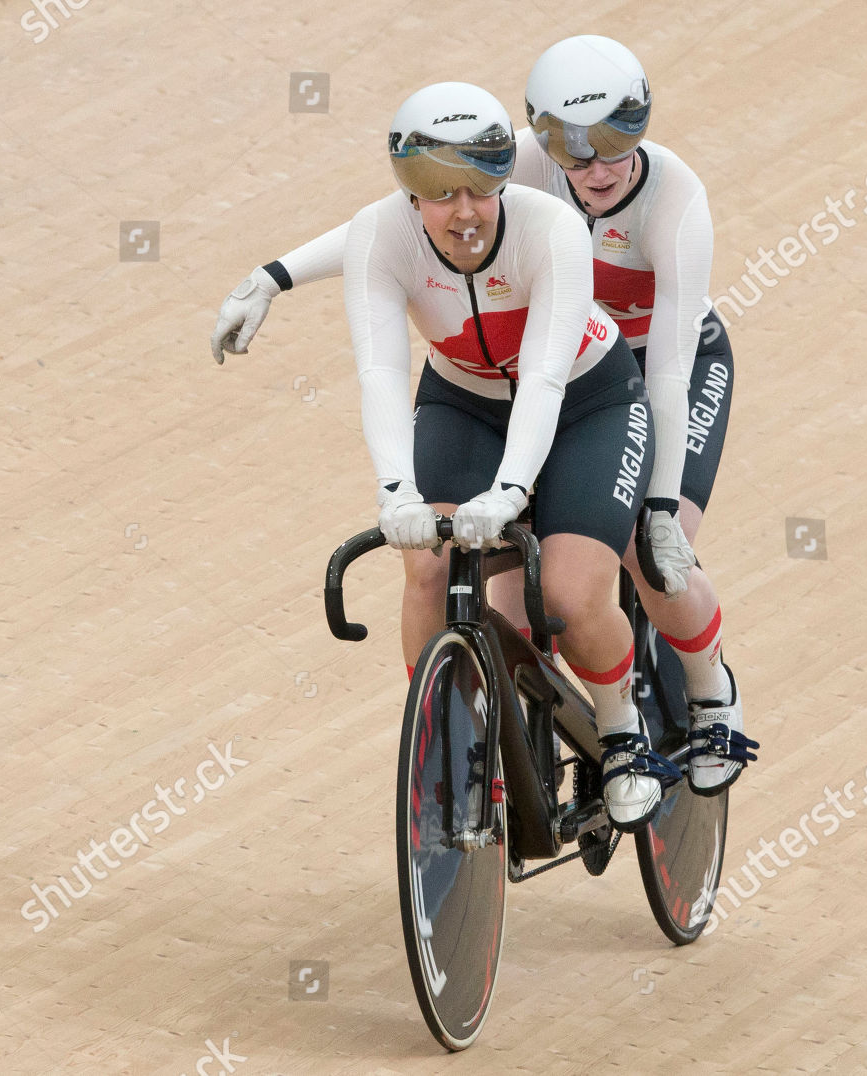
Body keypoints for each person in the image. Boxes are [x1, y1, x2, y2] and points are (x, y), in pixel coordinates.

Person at [215, 43, 758, 796]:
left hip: (652, 365)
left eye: (617, 141)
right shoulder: (512, 173)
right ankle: (502, 738)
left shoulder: (673, 199)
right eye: (574, 147)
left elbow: (662, 365)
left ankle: (710, 694)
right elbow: (403, 228)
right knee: (519, 614)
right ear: (538, 139)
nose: (597, 167)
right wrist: (276, 275)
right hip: (511, 373)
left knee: (649, 552)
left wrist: (661, 502)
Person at [286, 80, 680, 831]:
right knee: (428, 566)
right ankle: (439, 744)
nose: (464, 211)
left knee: (566, 592)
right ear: (410, 193)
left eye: (480, 187)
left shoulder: (552, 228)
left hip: (586, 405)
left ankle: (624, 729)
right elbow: (379, 372)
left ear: (505, 178)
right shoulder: (379, 236)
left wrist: (508, 491)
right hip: (462, 403)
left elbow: (543, 377)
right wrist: (396, 492)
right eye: (441, 194)